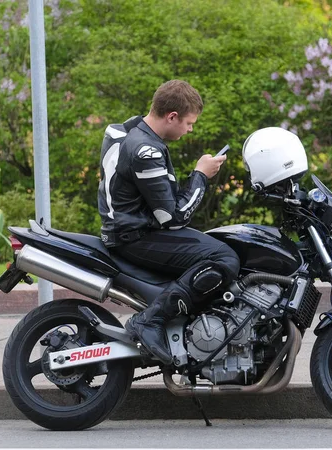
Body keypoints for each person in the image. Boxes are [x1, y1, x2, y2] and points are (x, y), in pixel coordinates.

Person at [97, 80, 240, 365]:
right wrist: (200, 175)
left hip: (125, 228)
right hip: (134, 236)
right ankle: (150, 321)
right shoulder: (145, 150)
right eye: (188, 123)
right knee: (225, 257)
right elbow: (174, 218)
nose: (190, 130)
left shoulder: (126, 131)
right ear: (171, 116)